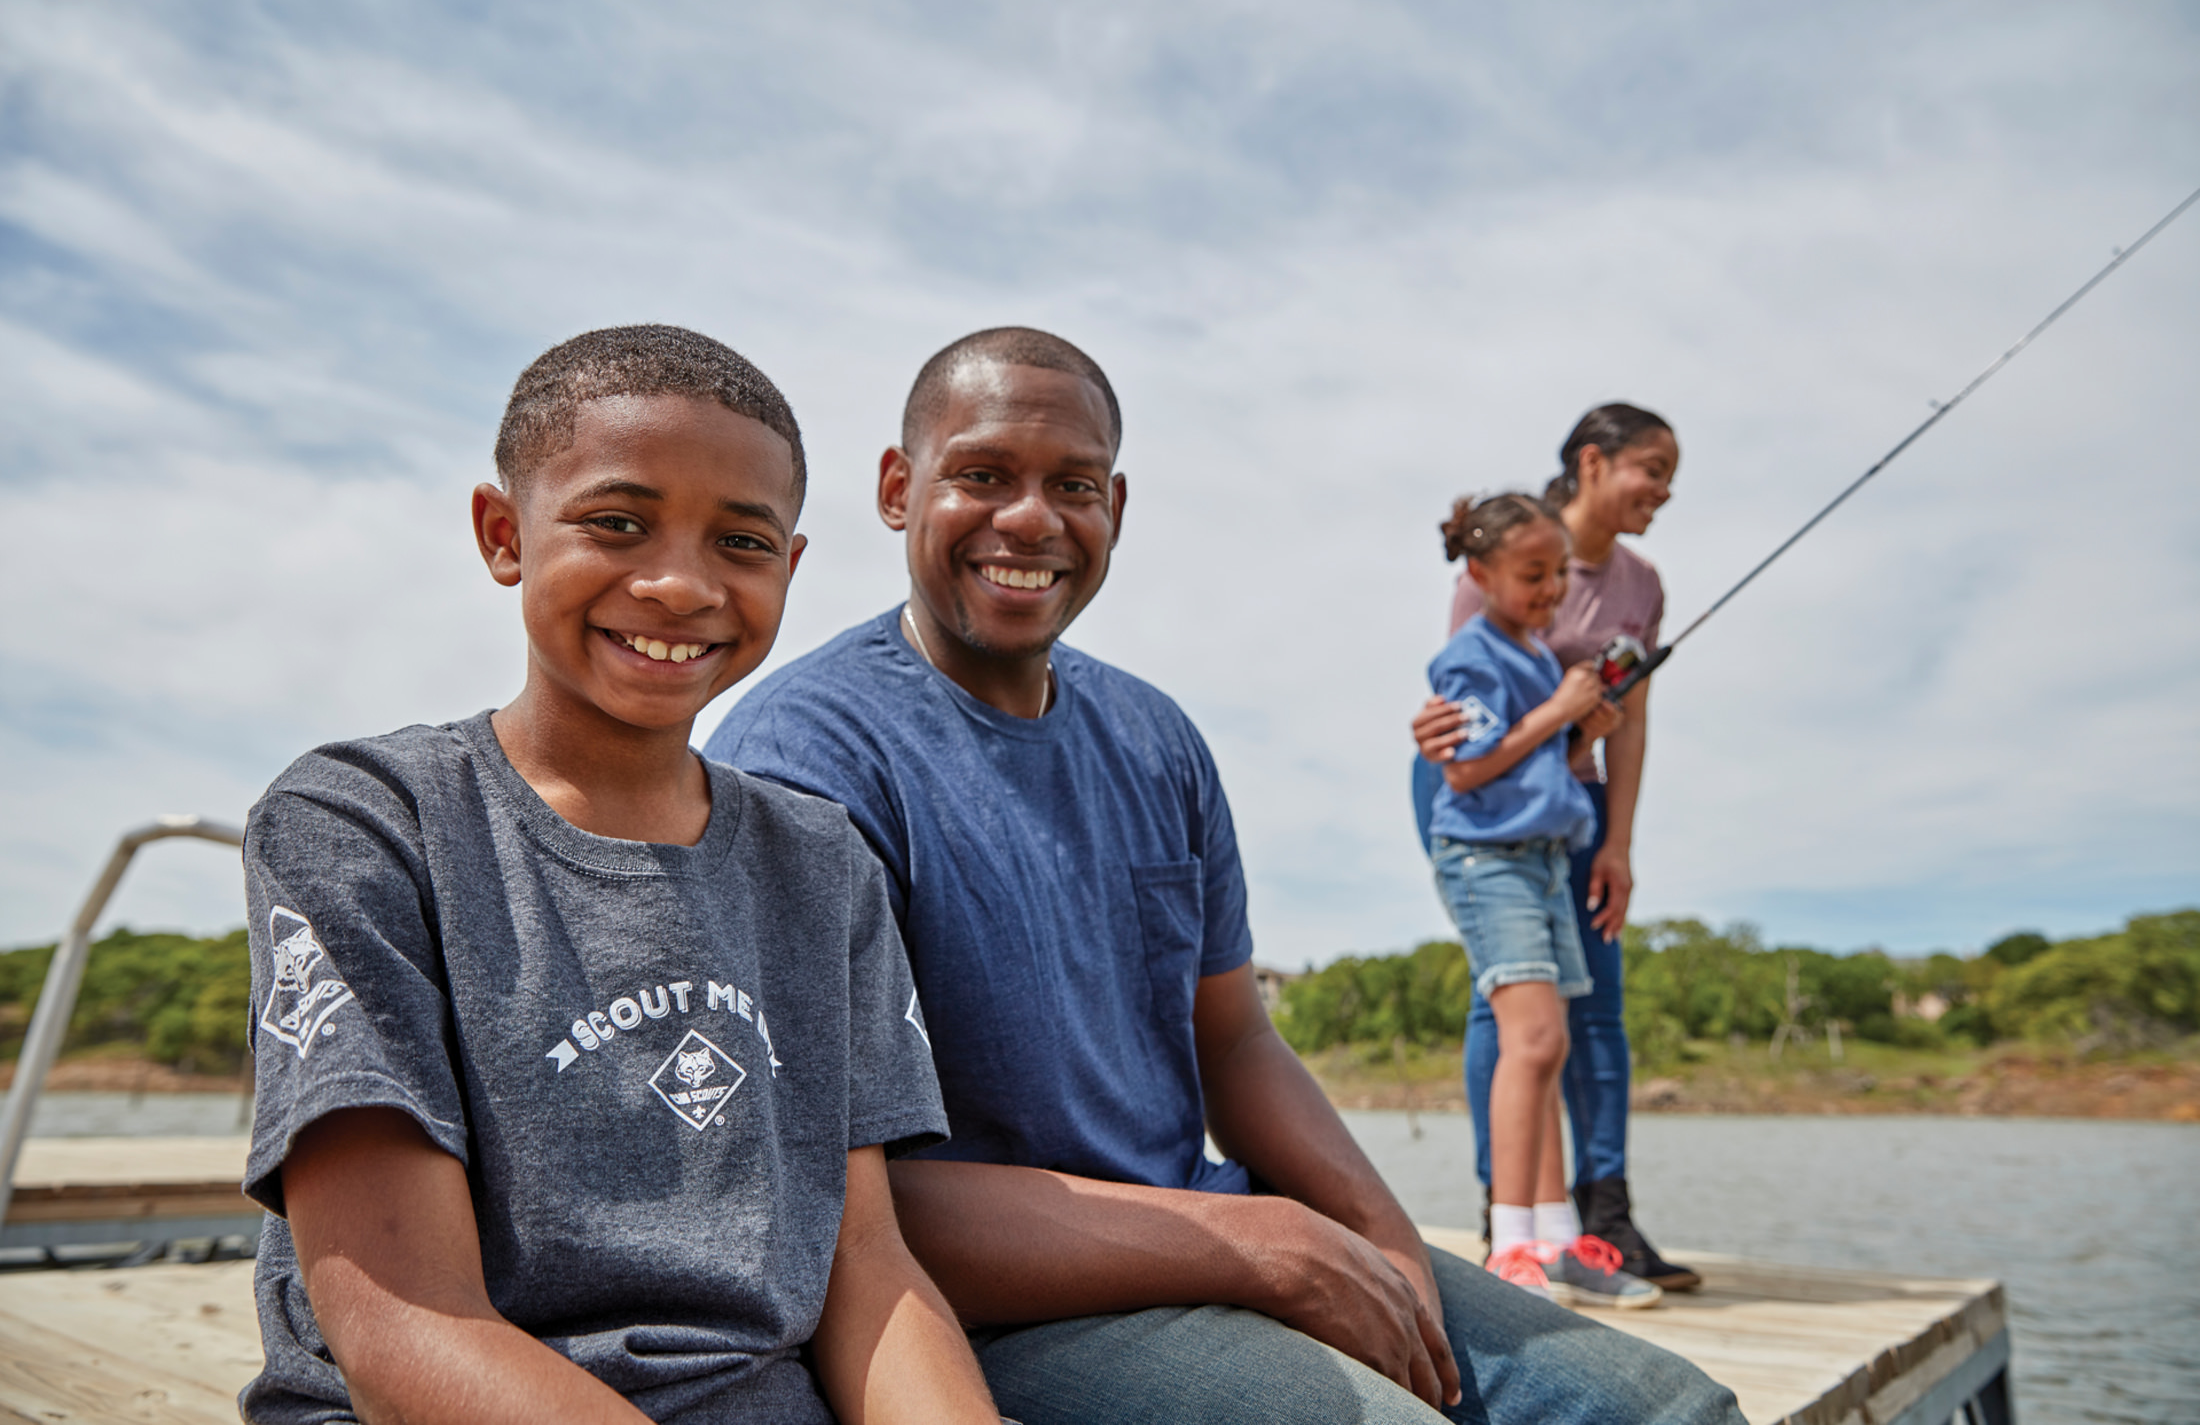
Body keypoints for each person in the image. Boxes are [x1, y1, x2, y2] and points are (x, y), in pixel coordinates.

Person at [708, 328, 1745, 1425]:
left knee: (1667, 1406)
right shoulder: (806, 754)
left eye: (1072, 485)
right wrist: (1257, 1244)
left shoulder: (1157, 737)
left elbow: (1236, 1041)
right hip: (1000, 1307)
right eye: (981, 474)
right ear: (896, 487)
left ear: (1115, 505)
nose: (1028, 518)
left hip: (1217, 1236)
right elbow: (838, 1201)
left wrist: (1382, 1239)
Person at [237, 326, 1000, 1425]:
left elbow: (868, 1270)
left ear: (786, 569)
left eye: (739, 541)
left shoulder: (823, 862)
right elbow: (404, 1328)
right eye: (615, 522)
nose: (679, 584)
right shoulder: (366, 821)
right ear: (504, 534)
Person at [1413, 402, 1696, 1292]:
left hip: (1559, 818)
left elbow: (1598, 729)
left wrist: (1609, 812)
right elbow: (1467, 737)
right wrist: (1556, 716)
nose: (1663, 490)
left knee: (1572, 1023)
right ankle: (1513, 1230)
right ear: (1593, 462)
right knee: (1519, 1025)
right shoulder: (1499, 592)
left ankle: (1576, 1224)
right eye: (1651, 467)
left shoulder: (1626, 594)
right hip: (1491, 827)